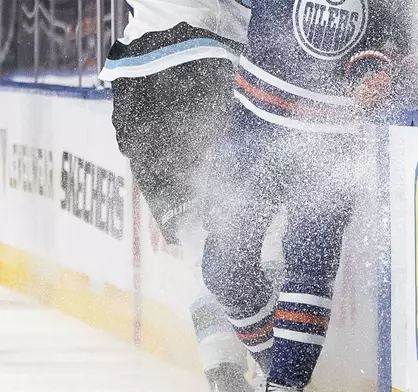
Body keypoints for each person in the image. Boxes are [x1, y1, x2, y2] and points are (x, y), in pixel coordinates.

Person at [199, 0, 408, 390]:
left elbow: (378, 37)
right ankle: (272, 362)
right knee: (223, 268)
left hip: (332, 139)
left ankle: (283, 384)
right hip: (252, 128)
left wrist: (374, 73)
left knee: (309, 265)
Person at [97, 0, 257, 391]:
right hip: (206, 58)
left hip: (135, 77)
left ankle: (224, 373)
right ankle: (275, 368)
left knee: (197, 241)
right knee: (247, 229)